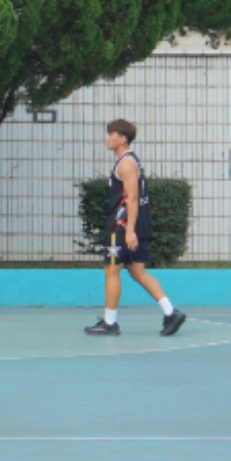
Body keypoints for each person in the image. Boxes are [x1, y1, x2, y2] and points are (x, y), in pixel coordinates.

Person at [86, 119, 187, 337]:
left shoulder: (126, 163)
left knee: (111, 271)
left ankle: (110, 323)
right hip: (133, 223)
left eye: (111, 134)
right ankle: (171, 313)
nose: (107, 138)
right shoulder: (128, 161)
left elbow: (132, 198)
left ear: (122, 139)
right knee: (137, 272)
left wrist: (130, 230)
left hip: (122, 225)